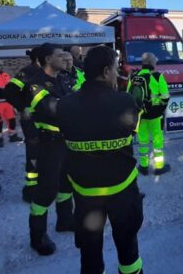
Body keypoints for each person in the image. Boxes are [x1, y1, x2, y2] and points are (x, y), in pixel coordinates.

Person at [57, 46, 145, 274]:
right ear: (106, 71)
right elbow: (134, 130)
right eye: (115, 69)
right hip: (123, 192)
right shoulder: (124, 101)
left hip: (86, 195)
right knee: (128, 252)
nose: (117, 74)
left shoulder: (65, 105)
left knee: (90, 255)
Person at [23, 44, 74, 255]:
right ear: (47, 59)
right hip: (49, 143)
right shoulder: (35, 84)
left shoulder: (63, 79)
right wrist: (71, 104)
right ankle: (38, 236)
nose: (64, 58)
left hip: (66, 141)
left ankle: (65, 220)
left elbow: (71, 101)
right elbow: (53, 108)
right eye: (59, 55)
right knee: (46, 191)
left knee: (66, 184)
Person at [3, 47, 43, 202]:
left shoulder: (44, 72)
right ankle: (30, 190)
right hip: (31, 121)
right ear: (40, 59)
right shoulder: (27, 72)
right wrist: (22, 107)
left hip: (42, 121)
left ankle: (41, 185)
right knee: (33, 154)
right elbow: (9, 91)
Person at [128, 52, 171, 175]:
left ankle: (143, 166)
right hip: (155, 115)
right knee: (157, 140)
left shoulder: (135, 76)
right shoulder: (157, 76)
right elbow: (165, 96)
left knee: (143, 141)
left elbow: (129, 95)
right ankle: (159, 167)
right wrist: (160, 109)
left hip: (141, 115)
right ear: (152, 63)